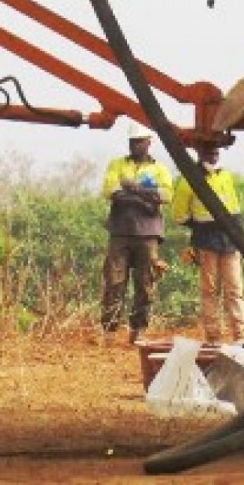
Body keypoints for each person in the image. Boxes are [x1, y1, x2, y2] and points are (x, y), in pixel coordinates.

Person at [100, 123, 173, 345]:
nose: (134, 145)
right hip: (120, 231)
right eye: (132, 142)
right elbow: (110, 191)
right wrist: (146, 198)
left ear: (149, 143)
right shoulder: (117, 164)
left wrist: (133, 188)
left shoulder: (160, 168)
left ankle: (138, 330)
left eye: (139, 141)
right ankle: (110, 330)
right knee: (114, 281)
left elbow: (167, 194)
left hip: (148, 234)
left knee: (145, 283)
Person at [173, 144, 244, 343]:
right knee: (210, 290)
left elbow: (234, 208)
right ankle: (214, 336)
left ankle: (240, 335)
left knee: (234, 288)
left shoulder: (225, 176)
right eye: (209, 152)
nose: (213, 156)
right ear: (200, 153)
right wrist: (199, 228)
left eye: (215, 152)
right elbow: (179, 215)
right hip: (206, 239)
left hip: (229, 237)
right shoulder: (189, 180)